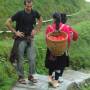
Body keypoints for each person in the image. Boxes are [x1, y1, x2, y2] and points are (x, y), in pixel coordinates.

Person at [5, 0, 42, 84]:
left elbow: (40, 19)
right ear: (24, 5)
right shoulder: (19, 13)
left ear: (32, 5)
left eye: (31, 6)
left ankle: (30, 76)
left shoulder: (34, 12)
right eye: (27, 6)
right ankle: (21, 77)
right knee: (20, 59)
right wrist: (15, 32)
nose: (29, 8)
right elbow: (7, 22)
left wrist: (36, 30)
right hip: (20, 39)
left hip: (30, 38)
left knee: (32, 58)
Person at [45, 12, 78, 88]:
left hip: (51, 50)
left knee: (51, 64)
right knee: (59, 66)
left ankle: (50, 78)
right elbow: (69, 39)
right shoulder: (66, 27)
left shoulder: (49, 27)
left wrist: (50, 47)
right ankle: (55, 82)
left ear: (53, 19)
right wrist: (67, 48)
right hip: (61, 49)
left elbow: (46, 39)